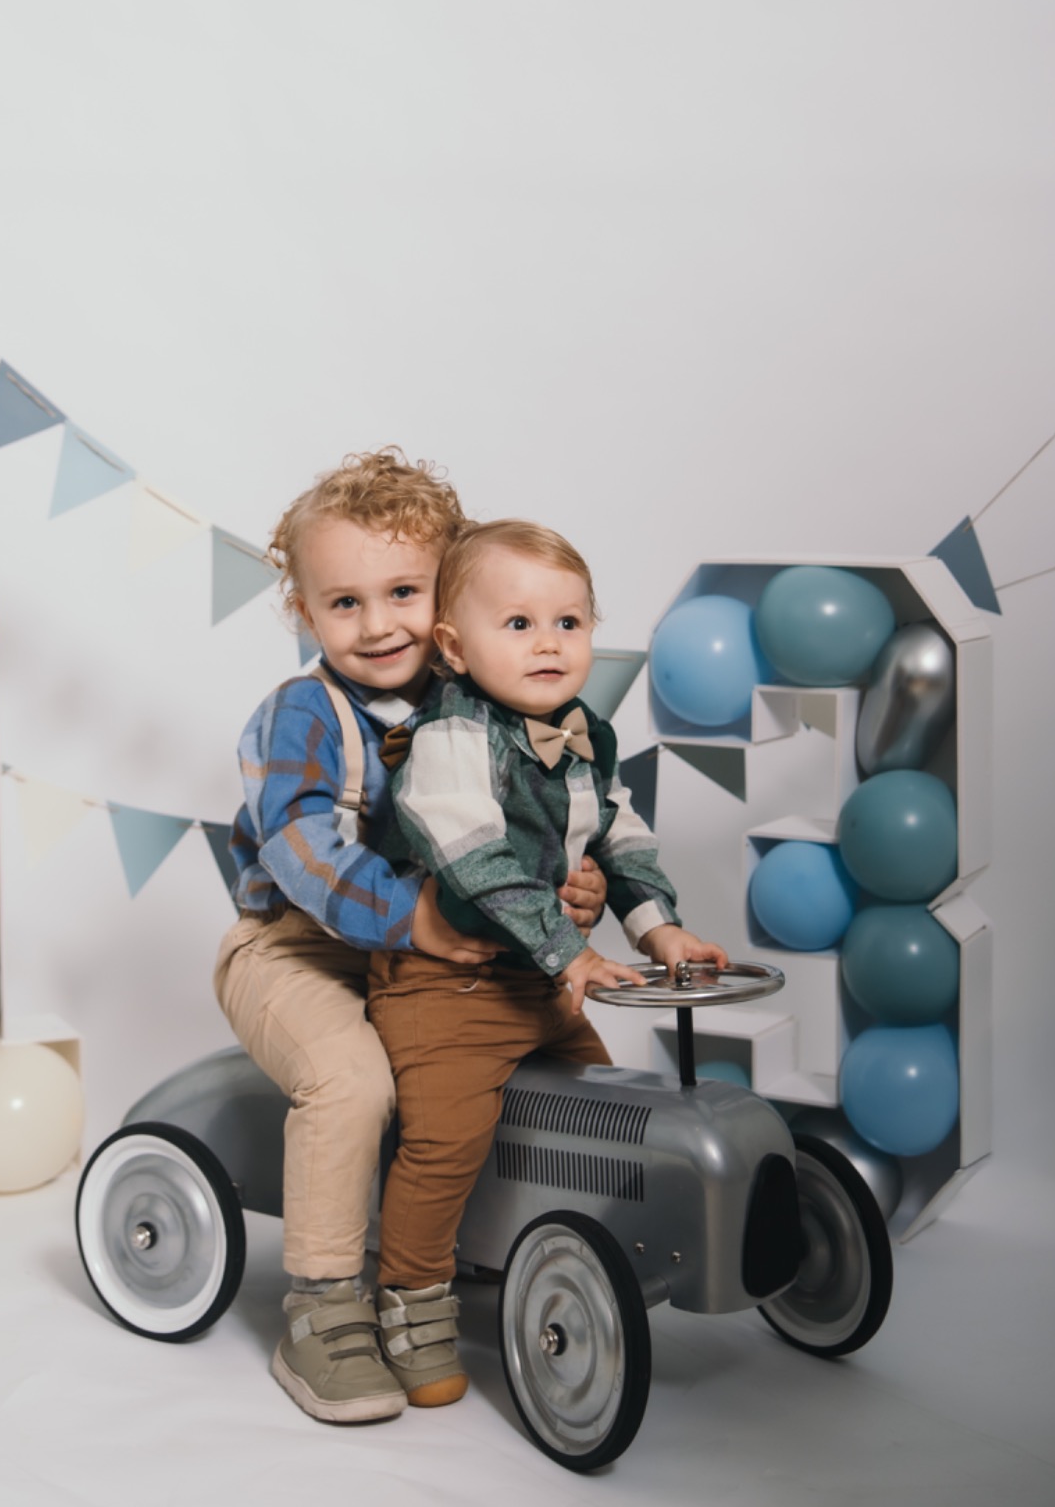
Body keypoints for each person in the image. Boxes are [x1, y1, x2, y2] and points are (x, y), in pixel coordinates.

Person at [212, 455, 607, 1425]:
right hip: (296, 946)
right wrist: (413, 916)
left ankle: (485, 1248)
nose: (378, 623)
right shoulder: (304, 713)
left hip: (425, 963)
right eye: (344, 602)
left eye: (403, 592)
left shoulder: (488, 702)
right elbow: (299, 846)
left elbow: (532, 828)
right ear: (304, 612)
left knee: (535, 1054)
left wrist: (573, 886)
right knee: (352, 1082)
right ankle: (322, 1306)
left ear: (452, 600)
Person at [367, 519, 729, 1405]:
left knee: (596, 1128)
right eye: (519, 624)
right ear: (455, 647)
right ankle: (410, 1300)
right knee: (446, 1139)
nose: (548, 644)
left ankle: (558, 1264)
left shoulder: (584, 732)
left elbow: (618, 833)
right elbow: (474, 855)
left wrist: (658, 930)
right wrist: (570, 951)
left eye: (568, 622)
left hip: (540, 981)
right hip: (446, 983)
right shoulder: (451, 734)